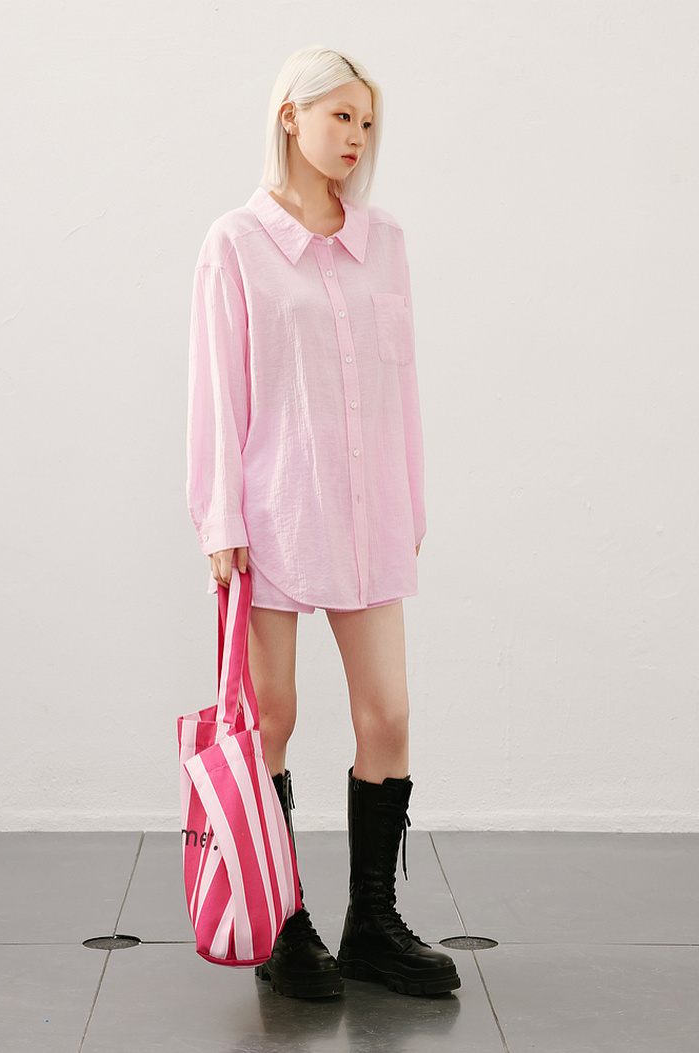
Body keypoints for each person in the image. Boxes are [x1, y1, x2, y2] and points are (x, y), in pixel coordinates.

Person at [186, 45, 460, 999]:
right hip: (272, 513)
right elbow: (217, 390)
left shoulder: (385, 241)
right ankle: (281, 921)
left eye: (367, 122)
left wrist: (411, 498)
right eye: (340, 115)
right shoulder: (236, 242)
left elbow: (402, 384)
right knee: (271, 717)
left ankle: (372, 923)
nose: (356, 137)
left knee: (387, 713)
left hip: (369, 510)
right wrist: (219, 516)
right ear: (290, 117)